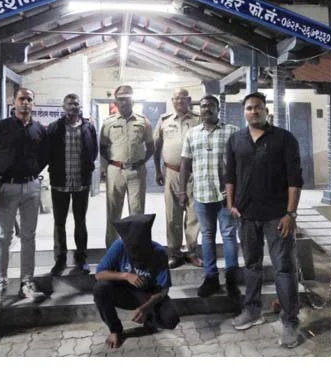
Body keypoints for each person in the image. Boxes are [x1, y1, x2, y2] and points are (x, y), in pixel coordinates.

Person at [225, 91, 303, 348]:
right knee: (251, 265)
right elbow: (230, 175)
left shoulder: (284, 139)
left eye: (258, 107)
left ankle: (290, 321)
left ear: (266, 110)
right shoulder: (236, 139)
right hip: (246, 216)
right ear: (244, 112)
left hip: (277, 217)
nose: (253, 111)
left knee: (284, 269)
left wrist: (290, 213)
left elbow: (295, 179)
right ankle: (252, 310)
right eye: (249, 108)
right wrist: (231, 204)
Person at [0, 87, 48, 303]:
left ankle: (26, 284)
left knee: (29, 236)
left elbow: (44, 156)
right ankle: (0, 287)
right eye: (22, 99)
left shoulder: (39, 129)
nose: (25, 103)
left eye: (29, 99)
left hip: (31, 188)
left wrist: (33, 172)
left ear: (33, 103)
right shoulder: (1, 127)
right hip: (6, 188)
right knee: (4, 237)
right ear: (14, 101)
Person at [179, 95, 240, 298]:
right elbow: (185, 164)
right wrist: (182, 191)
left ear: (218, 109)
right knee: (206, 235)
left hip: (226, 195)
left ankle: (231, 279)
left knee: (229, 234)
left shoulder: (232, 131)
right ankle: (211, 277)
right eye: (204, 106)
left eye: (211, 106)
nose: (207, 109)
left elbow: (240, 162)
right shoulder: (192, 134)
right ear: (200, 109)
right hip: (202, 194)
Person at [93, 214, 180, 349]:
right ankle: (115, 330)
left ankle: (149, 319)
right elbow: (99, 274)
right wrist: (125, 275)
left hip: (148, 294)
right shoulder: (119, 246)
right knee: (100, 288)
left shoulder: (159, 252)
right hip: (124, 292)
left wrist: (146, 307)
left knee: (171, 319)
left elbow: (163, 289)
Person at [46, 93, 98, 275]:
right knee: (59, 222)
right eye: (69, 103)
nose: (73, 106)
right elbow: (48, 152)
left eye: (76, 103)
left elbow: (93, 151)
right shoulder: (54, 128)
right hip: (60, 182)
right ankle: (60, 260)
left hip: (81, 183)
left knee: (80, 221)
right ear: (63, 106)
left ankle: (81, 258)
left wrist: (88, 168)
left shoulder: (88, 128)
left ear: (79, 106)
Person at [99, 85, 154, 248]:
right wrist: (109, 166)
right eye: (120, 99)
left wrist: (141, 162)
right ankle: (112, 250)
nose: (124, 102)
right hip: (115, 171)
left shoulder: (143, 122)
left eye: (127, 99)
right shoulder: (108, 122)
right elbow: (102, 147)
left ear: (133, 101)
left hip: (136, 171)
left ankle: (136, 250)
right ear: (115, 102)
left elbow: (151, 147)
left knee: (137, 213)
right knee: (113, 212)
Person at [154, 88, 202, 269]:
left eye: (183, 98)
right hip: (171, 173)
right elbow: (157, 147)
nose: (179, 101)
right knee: (172, 215)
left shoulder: (198, 120)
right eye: (176, 98)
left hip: (194, 174)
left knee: (193, 214)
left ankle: (191, 251)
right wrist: (157, 171)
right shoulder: (164, 120)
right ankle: (174, 253)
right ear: (172, 101)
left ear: (189, 100)